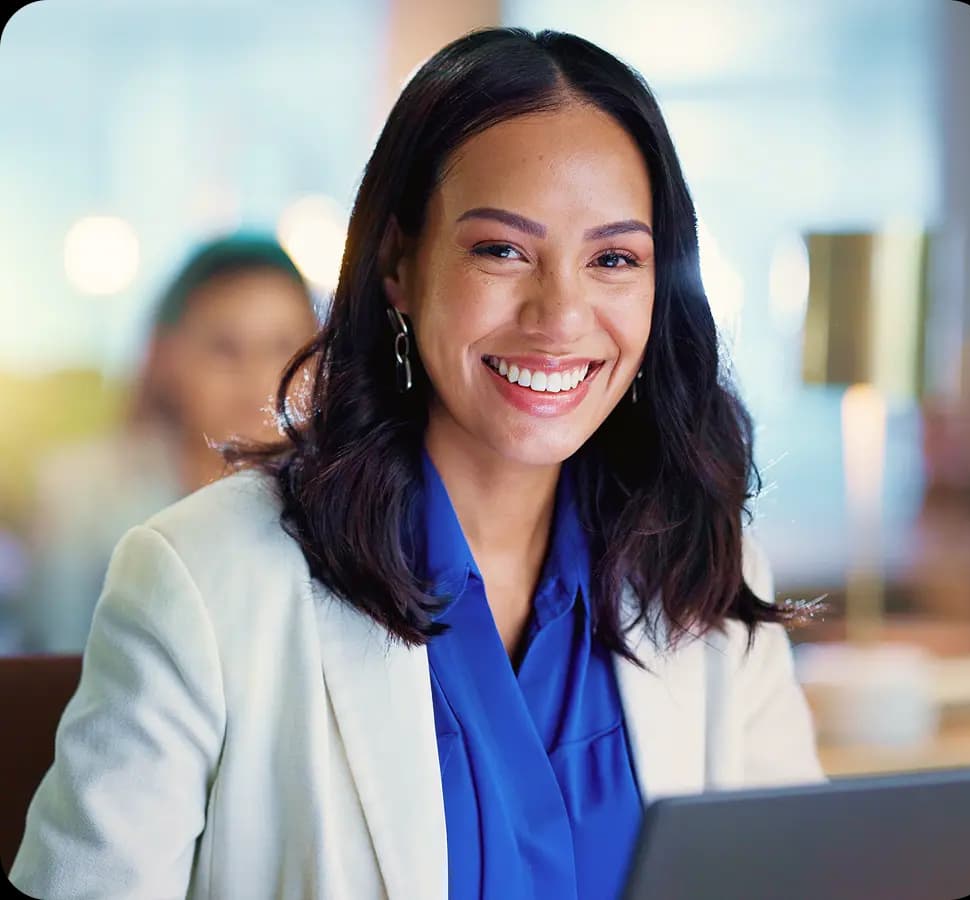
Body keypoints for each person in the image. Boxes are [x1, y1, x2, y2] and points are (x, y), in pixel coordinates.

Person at [11, 28, 823, 900]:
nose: (560, 316)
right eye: (501, 250)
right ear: (398, 262)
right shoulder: (205, 579)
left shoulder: (706, 568)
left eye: (614, 258)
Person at [15, 234, 318, 653]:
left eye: (282, 347)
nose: (256, 375)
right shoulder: (78, 492)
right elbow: (53, 663)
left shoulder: (338, 501)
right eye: (225, 348)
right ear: (167, 355)